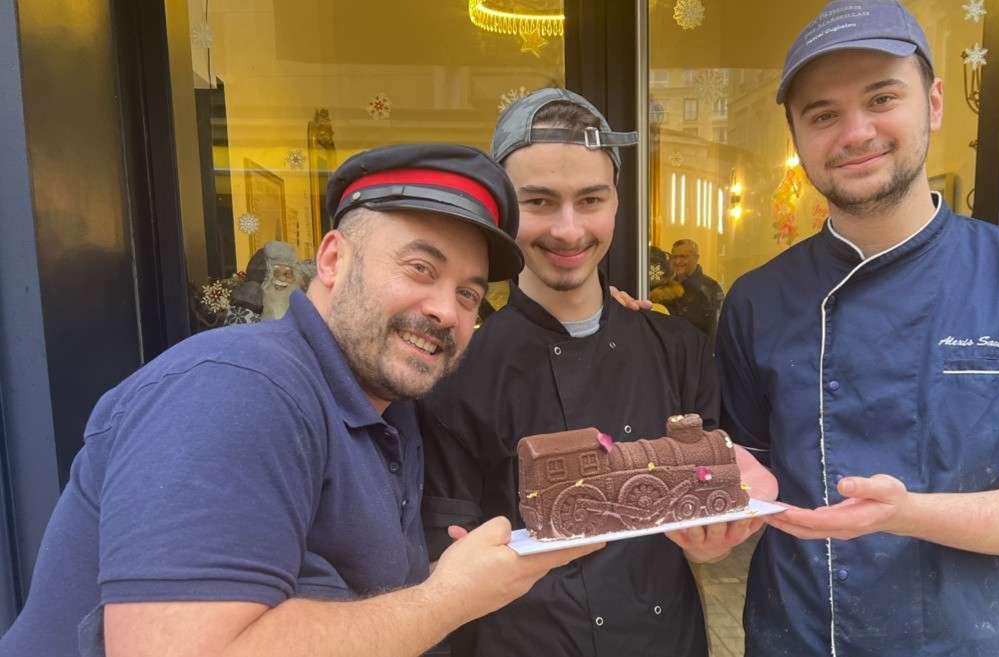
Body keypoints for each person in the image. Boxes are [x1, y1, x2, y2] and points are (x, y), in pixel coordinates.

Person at [0, 144, 600, 657]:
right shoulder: (237, 388)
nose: (447, 310)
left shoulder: (390, 405)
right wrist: (445, 600)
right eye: (420, 267)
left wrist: (606, 312)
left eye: (469, 295)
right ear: (334, 259)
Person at [716, 2, 999, 655]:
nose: (855, 132)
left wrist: (906, 512)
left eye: (882, 98)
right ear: (794, 134)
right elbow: (751, 472)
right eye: (822, 114)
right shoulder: (756, 299)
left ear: (933, 103)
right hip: (798, 639)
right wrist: (719, 516)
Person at [417, 88, 773, 657]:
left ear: (615, 202)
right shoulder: (457, 373)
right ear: (503, 211)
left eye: (589, 199)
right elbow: (447, 558)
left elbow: (715, 481)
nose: (567, 230)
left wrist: (713, 538)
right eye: (538, 202)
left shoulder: (677, 347)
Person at [663, 238, 724, 337]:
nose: (678, 261)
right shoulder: (663, 287)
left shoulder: (710, 288)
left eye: (683, 257)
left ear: (696, 258)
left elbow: (717, 328)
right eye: (674, 257)